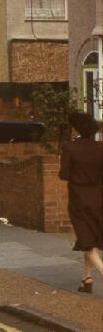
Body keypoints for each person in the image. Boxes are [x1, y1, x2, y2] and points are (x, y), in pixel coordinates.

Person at [59, 112, 103, 293]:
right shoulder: (101, 147)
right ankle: (87, 279)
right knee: (88, 238)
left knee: (87, 241)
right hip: (99, 198)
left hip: (79, 199)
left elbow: (65, 175)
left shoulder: (69, 147)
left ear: (76, 128)